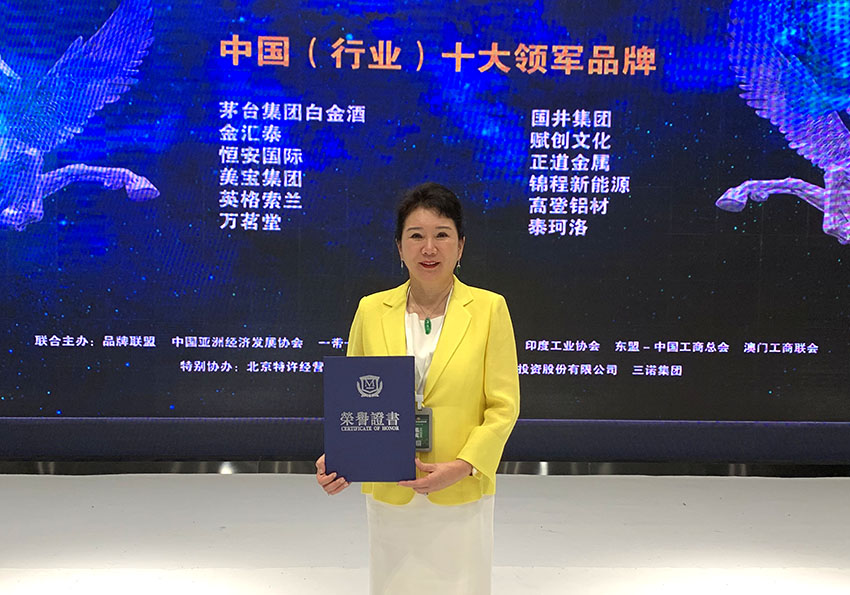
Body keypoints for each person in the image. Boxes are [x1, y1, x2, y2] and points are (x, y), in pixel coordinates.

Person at [316, 181, 520, 594]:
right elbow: (352, 399)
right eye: (416, 236)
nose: (429, 248)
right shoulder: (371, 310)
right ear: (399, 247)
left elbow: (503, 407)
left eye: (442, 235)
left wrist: (463, 465)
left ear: (460, 246)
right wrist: (340, 457)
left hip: (460, 487)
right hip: (391, 487)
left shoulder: (489, 309)